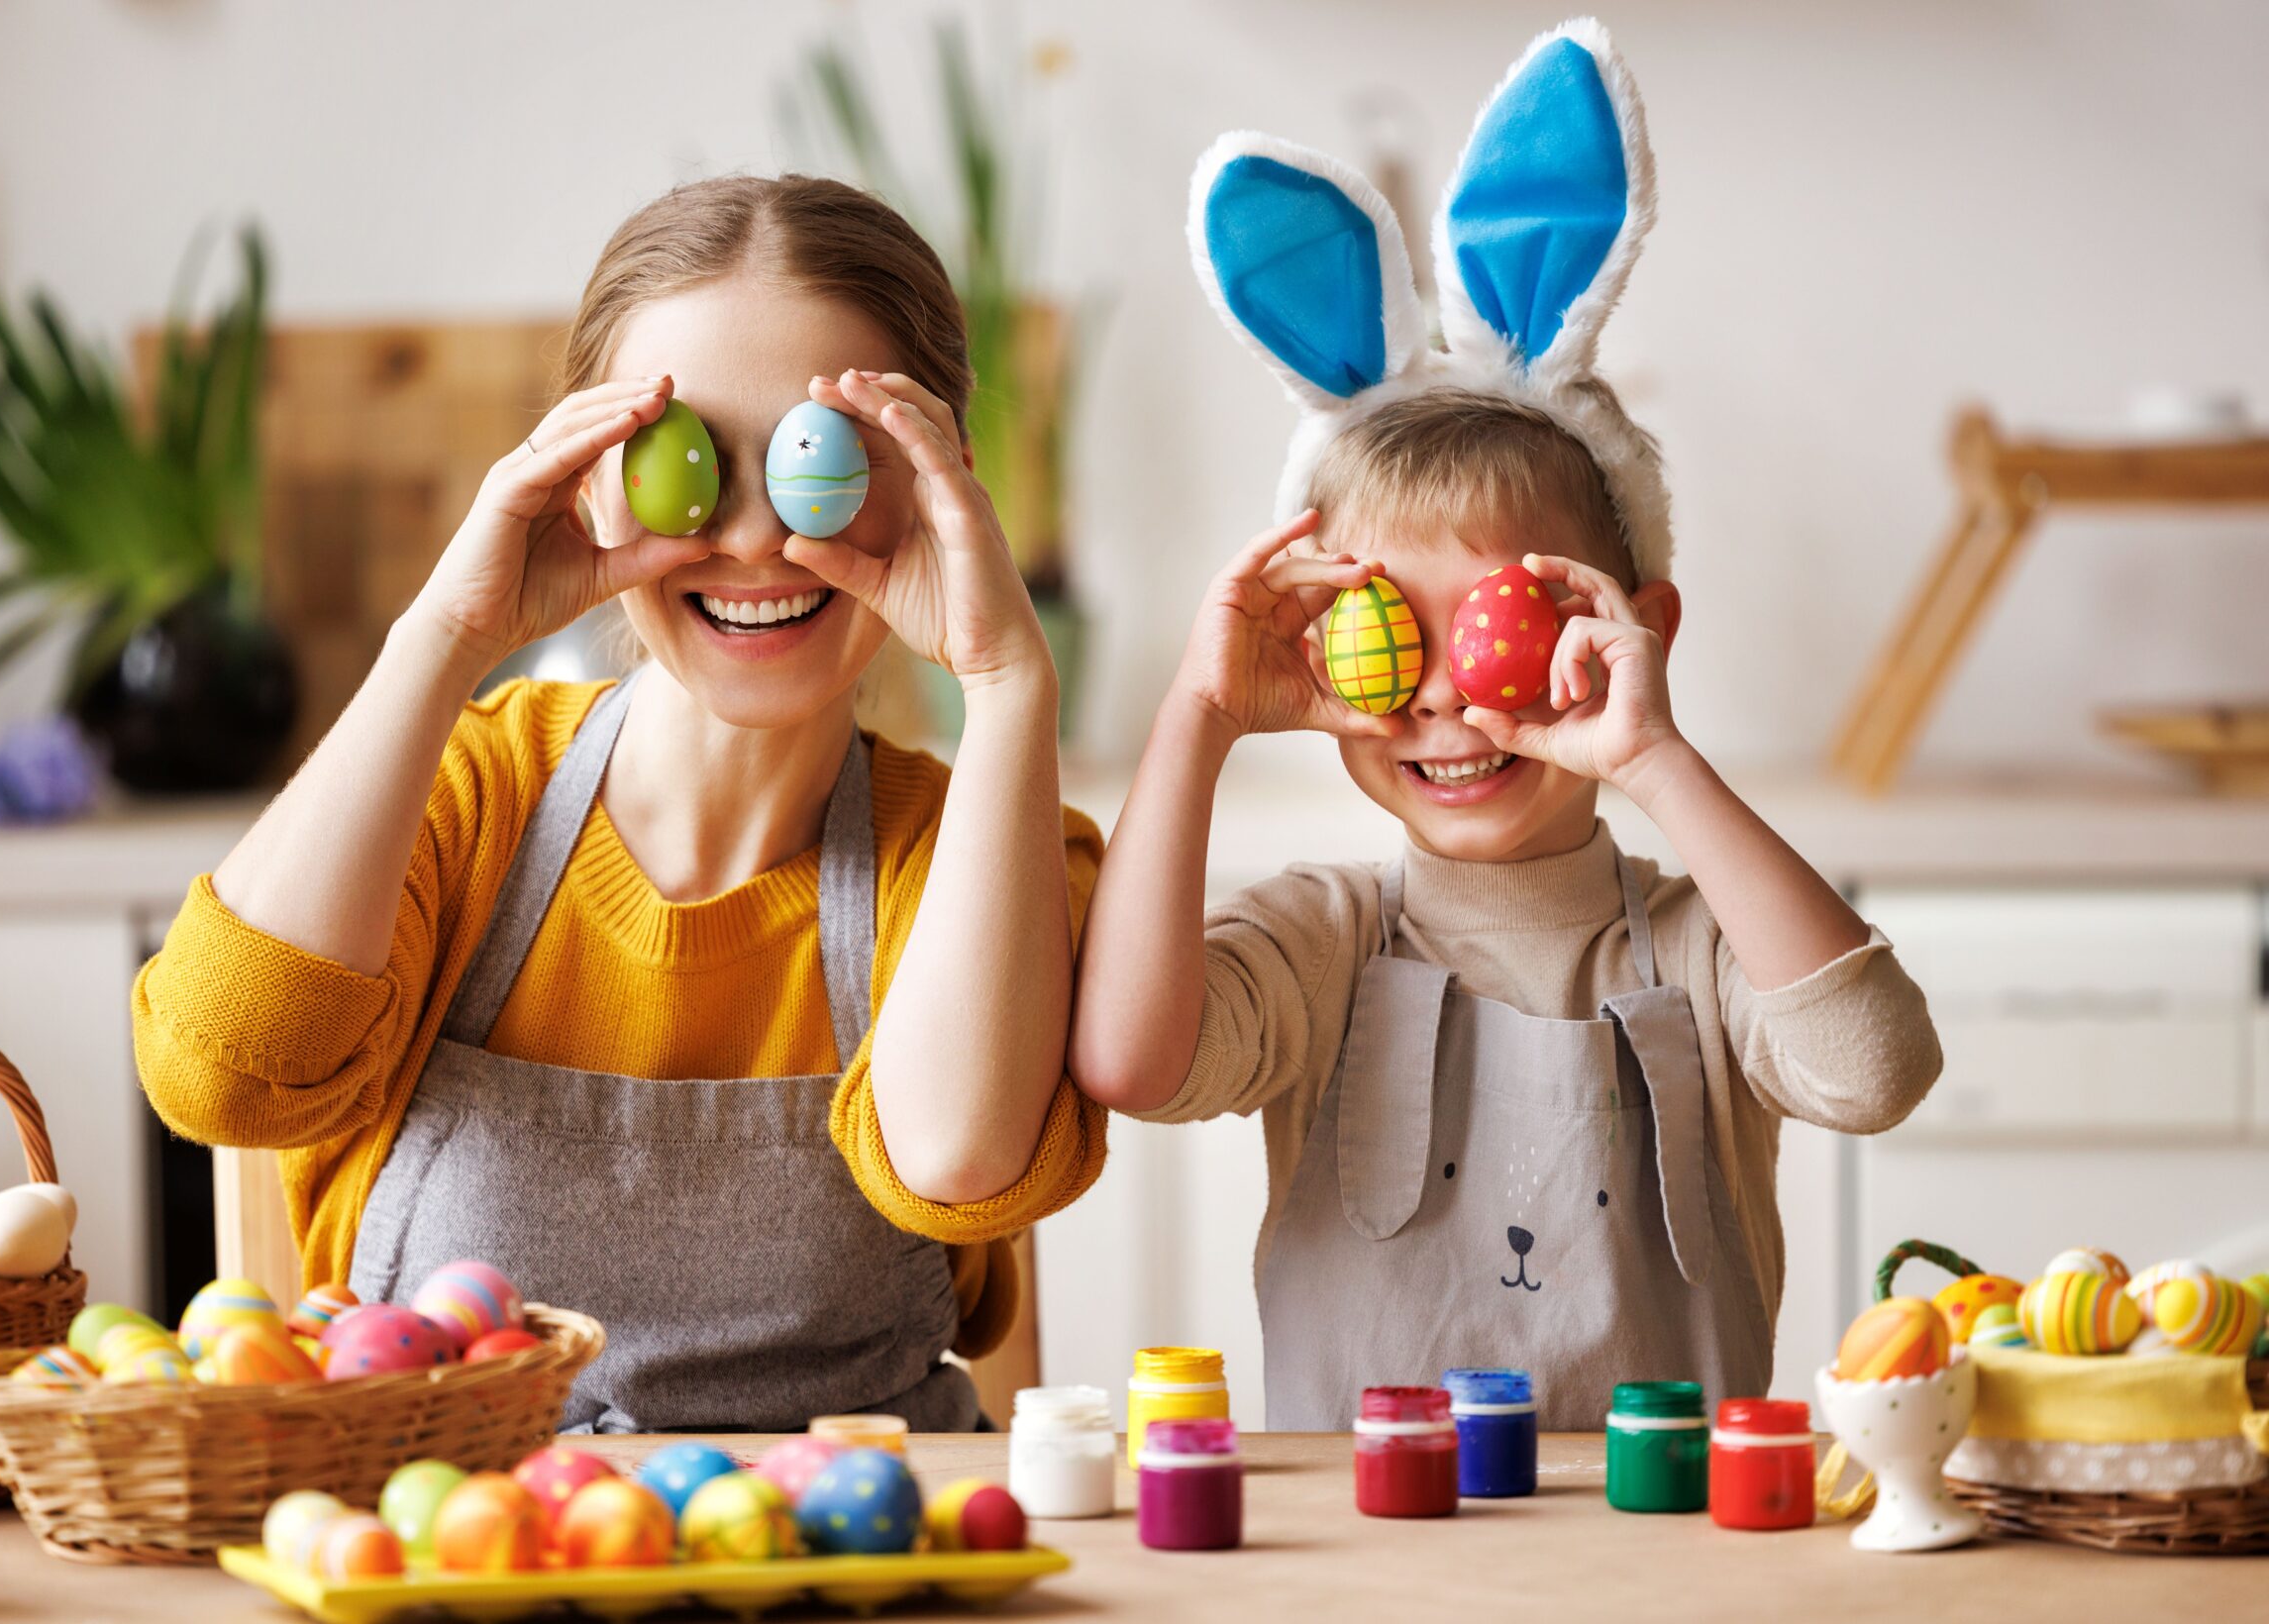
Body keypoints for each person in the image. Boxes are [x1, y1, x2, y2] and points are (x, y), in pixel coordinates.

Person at [1070, 24, 1940, 1429]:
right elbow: (1132, 1067)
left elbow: (1875, 1069)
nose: (1440, 699)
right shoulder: (1320, 937)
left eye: (1499, 632)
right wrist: (1198, 717)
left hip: (1663, 1554)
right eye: (1386, 636)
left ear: (1633, 632)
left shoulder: (1695, 940)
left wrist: (1658, 760)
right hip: (1370, 1557)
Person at [135, 174, 1103, 1433]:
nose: (756, 535)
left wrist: (1008, 679)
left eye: (826, 459)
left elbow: (961, 1161)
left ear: (937, 485)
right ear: (592, 469)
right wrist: (446, 632)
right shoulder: (470, 798)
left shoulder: (980, 849)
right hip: (465, 1562)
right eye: (687, 461)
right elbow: (222, 1075)